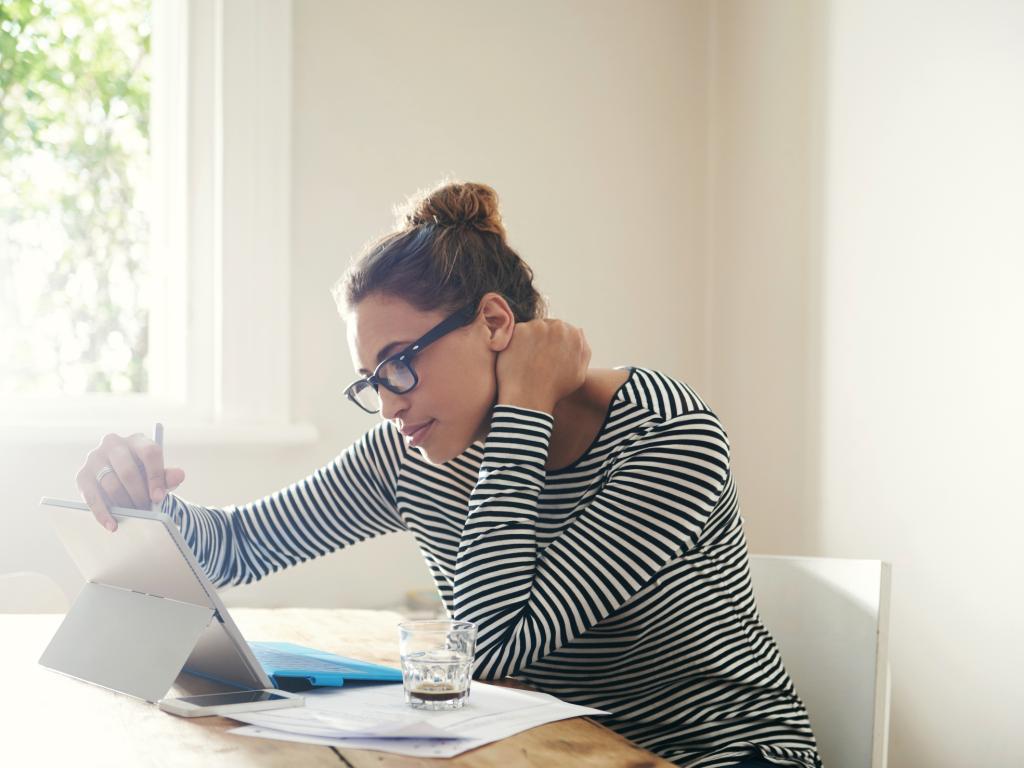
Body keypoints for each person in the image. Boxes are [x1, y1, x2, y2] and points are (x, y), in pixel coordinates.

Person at [75, 180, 821, 768]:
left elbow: (489, 643)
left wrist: (524, 404)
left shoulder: (665, 436)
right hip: (547, 751)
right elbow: (239, 547)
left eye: (401, 362)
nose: (391, 404)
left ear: (497, 324)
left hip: (721, 753)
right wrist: (151, 511)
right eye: (372, 380)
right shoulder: (415, 449)